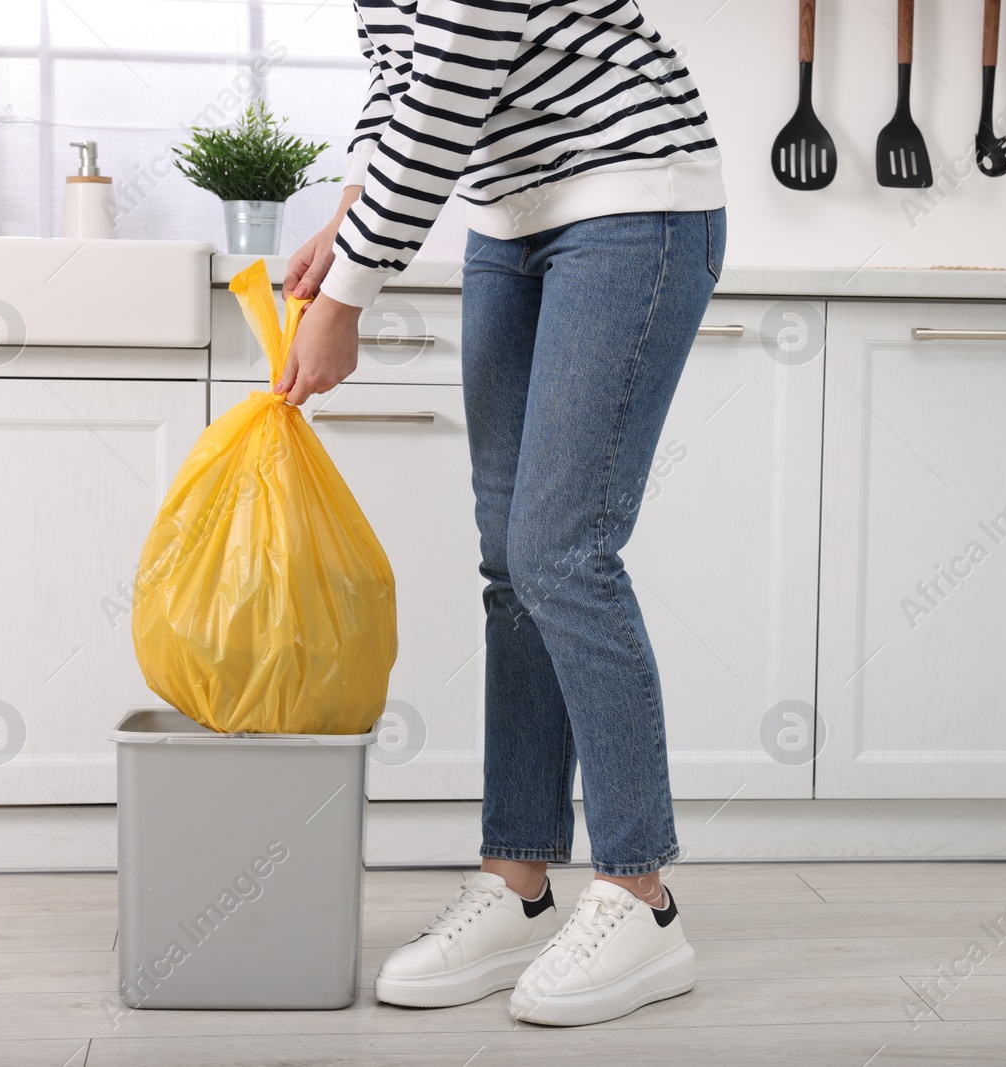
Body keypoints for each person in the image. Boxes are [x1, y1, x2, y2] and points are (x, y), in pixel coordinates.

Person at [280, 0, 725, 1027]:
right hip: (508, 218)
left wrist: (350, 296)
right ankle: (518, 879)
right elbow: (400, 74)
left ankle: (639, 895)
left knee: (562, 554)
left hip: (630, 201)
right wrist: (350, 216)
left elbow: (444, 96)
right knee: (510, 565)